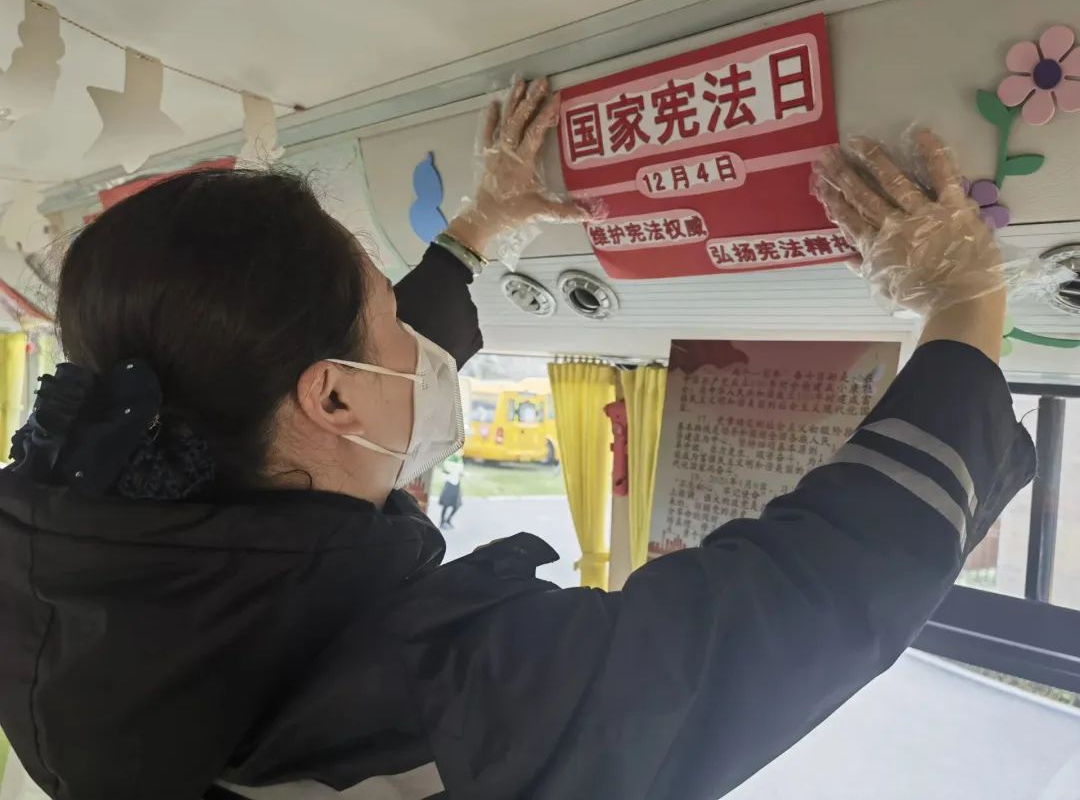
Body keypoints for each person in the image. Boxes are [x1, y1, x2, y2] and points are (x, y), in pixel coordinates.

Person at [0, 76, 1033, 800]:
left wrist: (475, 232)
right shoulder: (441, 709)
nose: (415, 343)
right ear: (331, 403)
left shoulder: (75, 563)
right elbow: (807, 598)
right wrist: (964, 304)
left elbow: (308, 371)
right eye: (388, 320)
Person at [438, 451, 465, 529]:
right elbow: (446, 470)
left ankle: (448, 520)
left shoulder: (460, 459)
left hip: (456, 484)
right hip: (450, 484)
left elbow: (460, 471)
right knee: (446, 505)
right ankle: (442, 522)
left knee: (456, 505)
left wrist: (461, 474)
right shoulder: (449, 459)